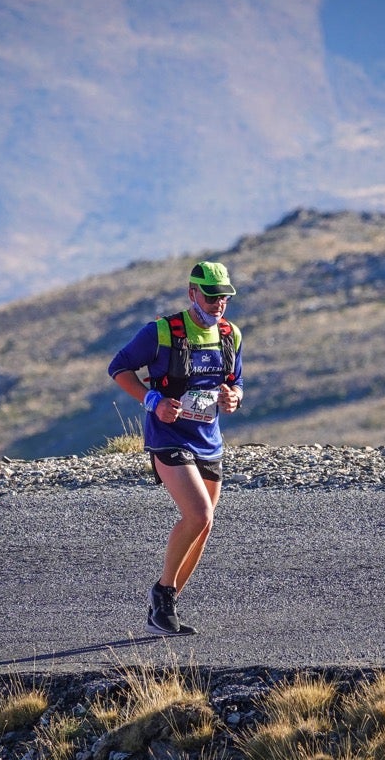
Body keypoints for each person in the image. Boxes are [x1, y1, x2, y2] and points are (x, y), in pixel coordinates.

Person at [108, 261, 244, 635]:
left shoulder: (231, 335)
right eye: (212, 296)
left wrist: (234, 398)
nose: (219, 304)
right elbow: (119, 367)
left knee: (204, 526)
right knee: (198, 514)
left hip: (208, 441)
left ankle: (164, 606)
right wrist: (151, 400)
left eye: (225, 297)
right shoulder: (162, 331)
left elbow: (235, 382)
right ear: (192, 293)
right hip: (169, 438)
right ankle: (162, 595)